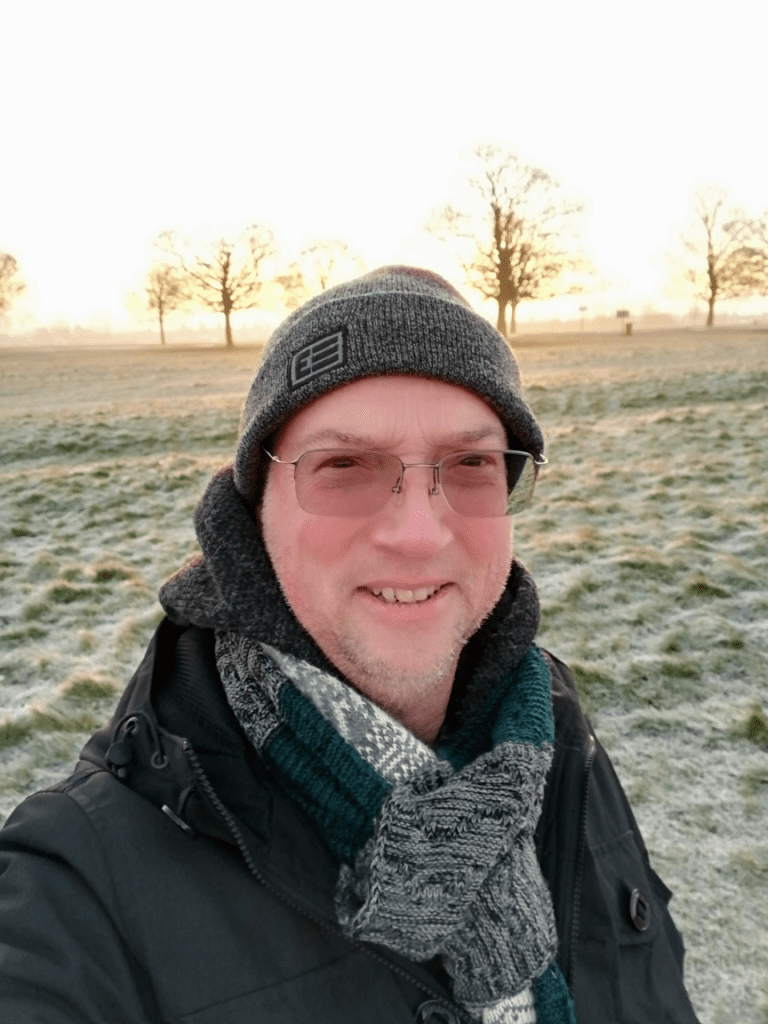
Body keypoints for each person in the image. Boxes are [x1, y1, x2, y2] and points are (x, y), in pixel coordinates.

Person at [0, 266, 699, 1024]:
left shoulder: (555, 744)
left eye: (469, 465)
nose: (418, 533)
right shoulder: (78, 883)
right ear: (251, 515)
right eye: (344, 467)